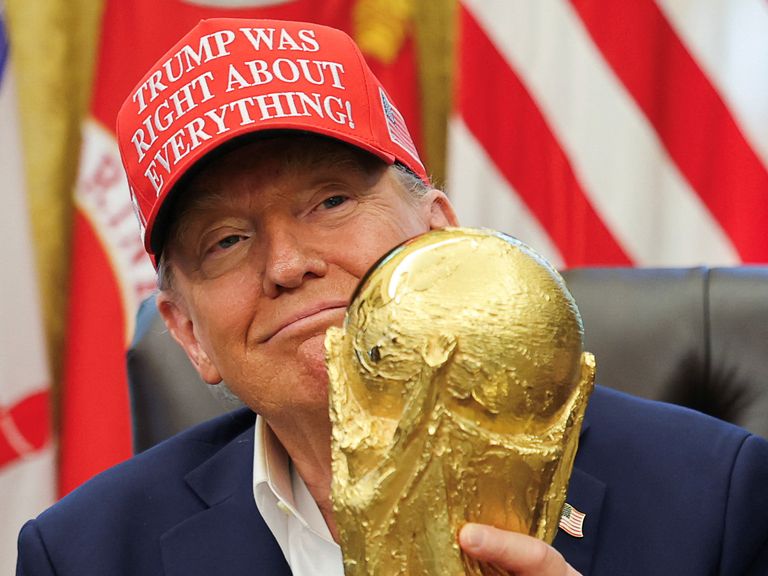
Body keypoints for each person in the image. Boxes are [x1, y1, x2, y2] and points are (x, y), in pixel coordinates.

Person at [16, 18, 768, 576]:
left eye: (331, 201)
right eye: (226, 242)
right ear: (187, 334)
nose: (287, 264)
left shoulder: (714, 497)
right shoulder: (83, 553)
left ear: (441, 231)